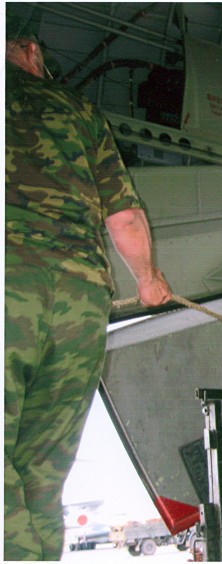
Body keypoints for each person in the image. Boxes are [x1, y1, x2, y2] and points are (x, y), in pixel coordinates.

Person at [5, 14, 172, 560]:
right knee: (44, 468)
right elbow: (124, 215)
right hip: (81, 301)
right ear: (30, 52)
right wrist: (148, 282)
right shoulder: (78, 112)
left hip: (10, 283)